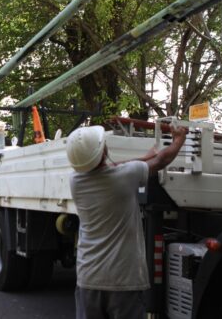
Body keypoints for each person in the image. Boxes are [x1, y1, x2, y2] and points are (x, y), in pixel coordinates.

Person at [66, 124, 187, 319]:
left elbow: (116, 167)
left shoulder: (75, 181)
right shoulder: (126, 176)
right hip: (123, 281)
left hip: (88, 279)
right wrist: (179, 139)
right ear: (103, 151)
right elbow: (163, 159)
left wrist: (145, 157)